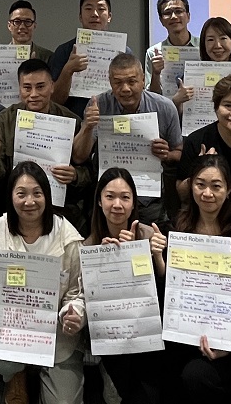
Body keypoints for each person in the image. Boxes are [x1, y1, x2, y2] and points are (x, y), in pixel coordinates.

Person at [0, 161, 86, 404]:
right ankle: (16, 374)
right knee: (5, 363)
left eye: (37, 193)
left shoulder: (67, 236)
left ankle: (41, 370)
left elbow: (76, 292)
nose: (29, 201)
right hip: (14, 329)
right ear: (11, 197)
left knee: (65, 402)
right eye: (21, 194)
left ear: (47, 196)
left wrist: (72, 312)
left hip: (55, 334)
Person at [164, 153, 231, 398]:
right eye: (200, 184)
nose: (207, 193)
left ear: (228, 190)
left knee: (197, 376)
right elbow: (169, 288)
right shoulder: (177, 230)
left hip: (228, 341)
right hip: (182, 335)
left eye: (216, 186)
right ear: (190, 186)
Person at [83, 168, 167, 404]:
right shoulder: (89, 245)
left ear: (133, 204)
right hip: (112, 333)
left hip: (148, 329)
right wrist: (105, 262)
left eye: (125, 197)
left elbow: (163, 289)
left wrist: (156, 256)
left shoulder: (149, 234)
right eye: (110, 197)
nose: (117, 205)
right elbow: (90, 301)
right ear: (99, 201)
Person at [0, 58, 92, 228]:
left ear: (52, 86)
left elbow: (89, 172)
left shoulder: (70, 120)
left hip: (59, 211)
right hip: (16, 209)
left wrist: (75, 175)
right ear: (19, 88)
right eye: (27, 88)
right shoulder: (5, 119)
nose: (33, 94)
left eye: (40, 87)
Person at [74, 53, 182, 226]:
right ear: (110, 82)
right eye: (118, 82)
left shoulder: (164, 107)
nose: (125, 89)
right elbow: (79, 157)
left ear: (142, 80)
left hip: (149, 198)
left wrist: (166, 155)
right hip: (108, 198)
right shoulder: (99, 105)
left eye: (132, 81)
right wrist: (87, 126)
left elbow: (179, 152)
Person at [176, 74, 231, 212]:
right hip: (208, 215)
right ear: (216, 108)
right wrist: (199, 169)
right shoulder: (197, 140)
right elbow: (182, 195)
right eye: (228, 105)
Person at [51, 0, 130, 119]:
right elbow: (54, 101)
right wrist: (68, 70)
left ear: (109, 16)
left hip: (112, 121)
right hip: (74, 122)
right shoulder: (64, 51)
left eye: (101, 9)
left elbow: (132, 96)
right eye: (88, 9)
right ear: (80, 16)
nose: (94, 14)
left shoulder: (123, 53)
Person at [145, 0, 199, 93]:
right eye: (167, 13)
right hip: (167, 103)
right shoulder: (153, 53)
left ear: (188, 16)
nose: (173, 17)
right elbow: (151, 96)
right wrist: (156, 74)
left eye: (178, 11)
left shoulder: (204, 46)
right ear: (161, 20)